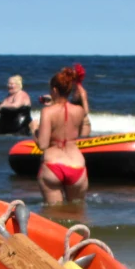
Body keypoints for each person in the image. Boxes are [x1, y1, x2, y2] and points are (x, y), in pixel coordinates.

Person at [36, 67, 90, 204]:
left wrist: (34, 131)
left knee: (53, 215)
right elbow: (85, 132)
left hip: (53, 165)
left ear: (54, 90)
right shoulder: (79, 111)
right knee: (77, 214)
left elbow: (42, 145)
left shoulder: (47, 112)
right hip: (77, 165)